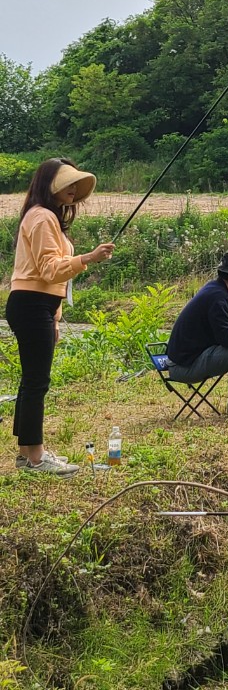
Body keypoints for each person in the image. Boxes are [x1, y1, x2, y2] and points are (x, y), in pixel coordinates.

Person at [7, 159, 114, 476]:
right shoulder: (41, 217)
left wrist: (54, 317)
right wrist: (89, 258)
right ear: (48, 185)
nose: (73, 188)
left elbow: (55, 281)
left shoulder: (47, 217)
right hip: (30, 305)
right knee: (37, 382)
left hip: (37, 306)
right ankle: (36, 457)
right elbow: (49, 270)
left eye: (75, 184)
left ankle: (28, 454)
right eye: (67, 182)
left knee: (32, 382)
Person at [166, 249, 228, 420]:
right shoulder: (218, 298)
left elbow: (226, 325)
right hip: (183, 367)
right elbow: (227, 338)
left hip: (184, 361)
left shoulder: (215, 289)